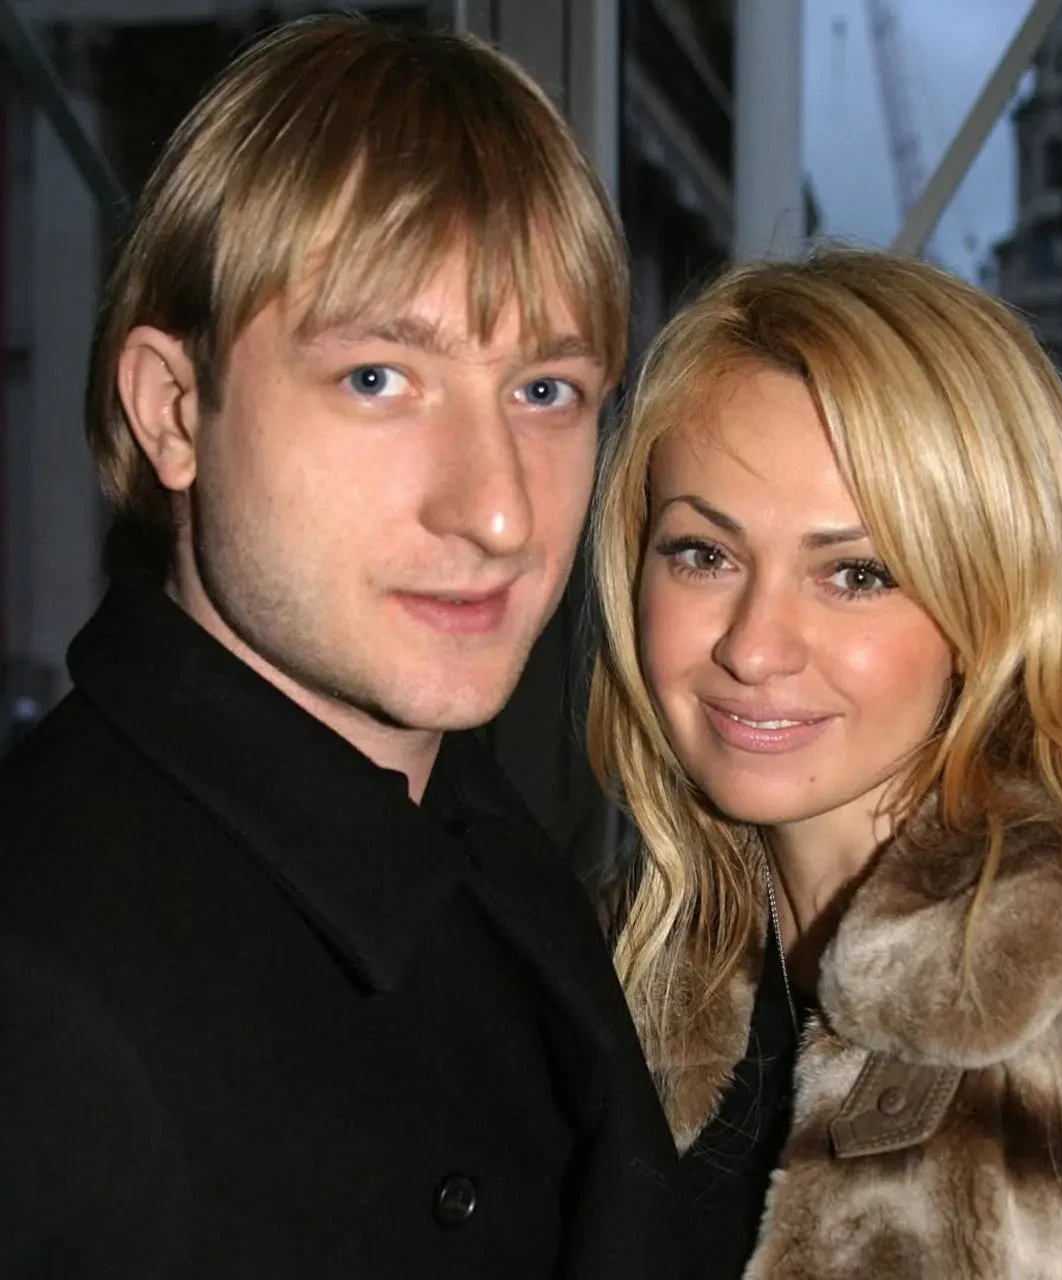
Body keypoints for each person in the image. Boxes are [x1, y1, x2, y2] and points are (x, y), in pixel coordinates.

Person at [0, 16, 683, 1279]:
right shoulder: (39, 994)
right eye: (377, 378)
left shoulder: (493, 855)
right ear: (173, 410)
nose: (497, 511)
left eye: (544, 391)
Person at [587, 246, 1062, 1279]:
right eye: (703, 553)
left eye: (856, 573)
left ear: (993, 601)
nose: (754, 646)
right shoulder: (595, 980)